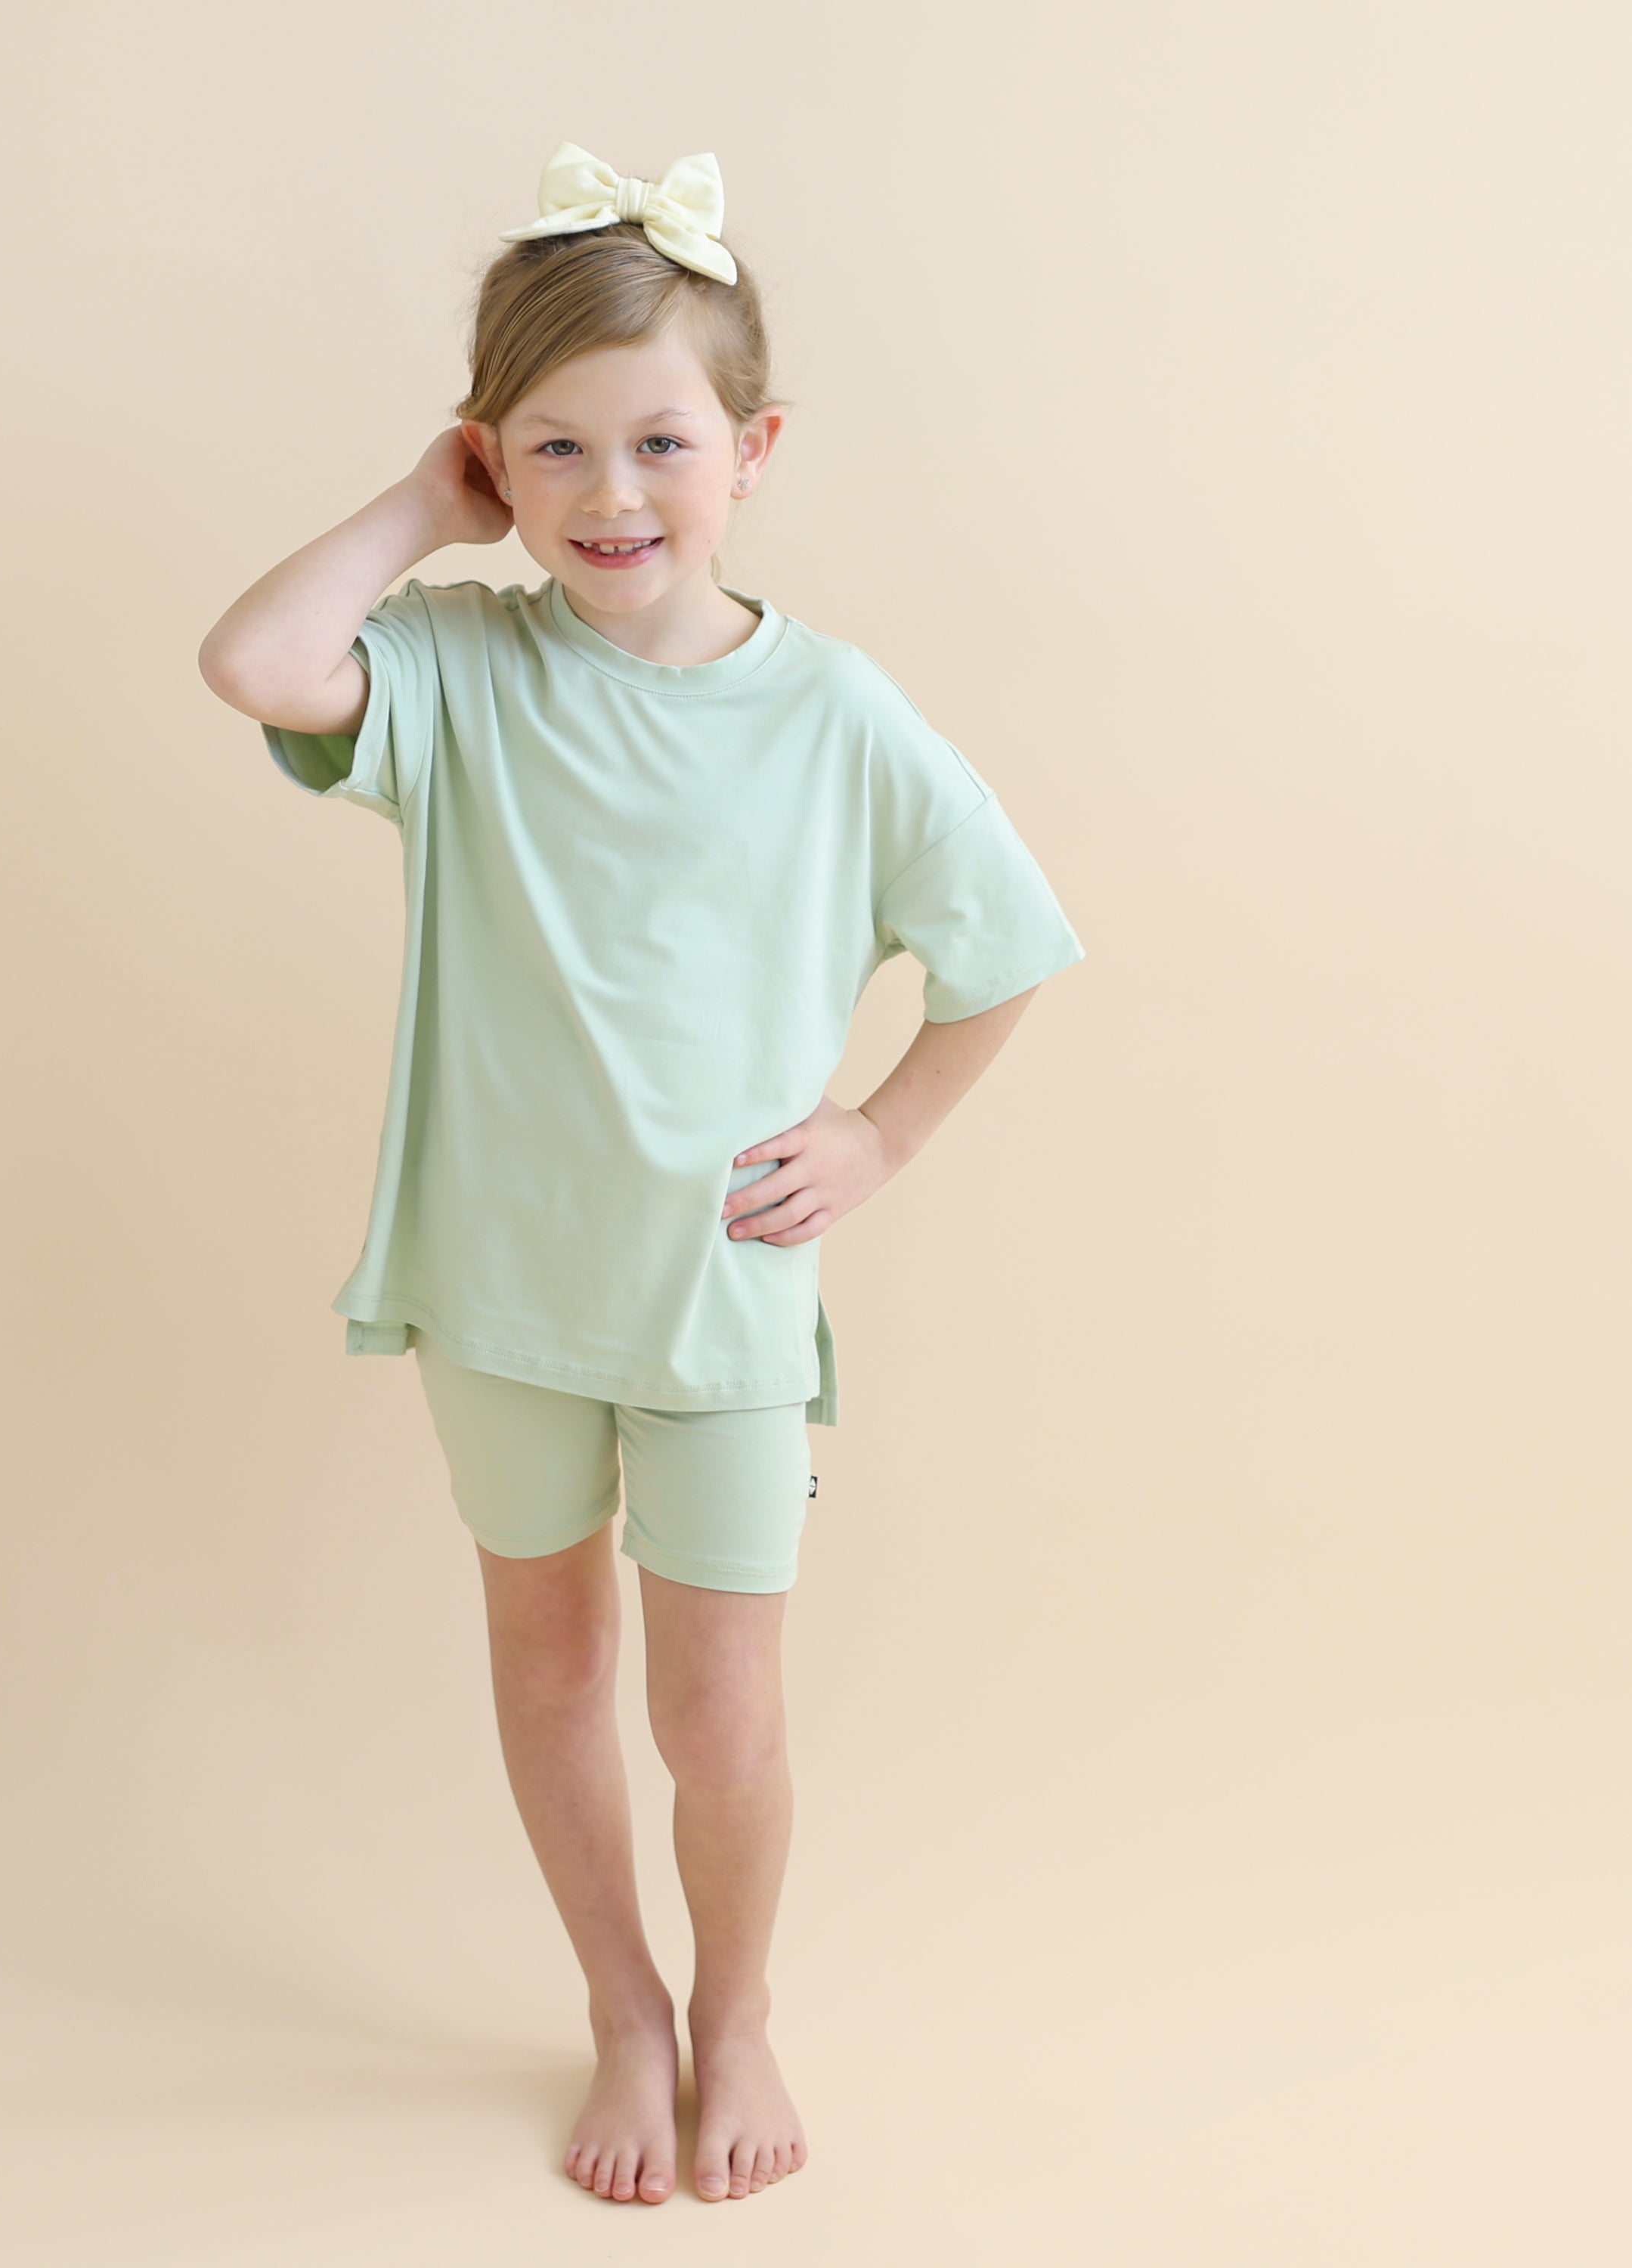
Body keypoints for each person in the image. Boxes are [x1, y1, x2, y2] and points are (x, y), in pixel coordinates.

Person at [197, 141, 1086, 2208]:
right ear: (496, 462)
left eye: (661, 443)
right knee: (549, 1664)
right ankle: (622, 2002)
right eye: (555, 450)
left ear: (753, 450)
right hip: (502, 1285)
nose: (610, 496)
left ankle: (741, 1998)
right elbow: (258, 666)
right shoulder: (460, 671)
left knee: (719, 1715)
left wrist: (880, 1131)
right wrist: (431, 507)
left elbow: (1008, 953)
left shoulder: (837, 716)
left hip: (716, 1303)